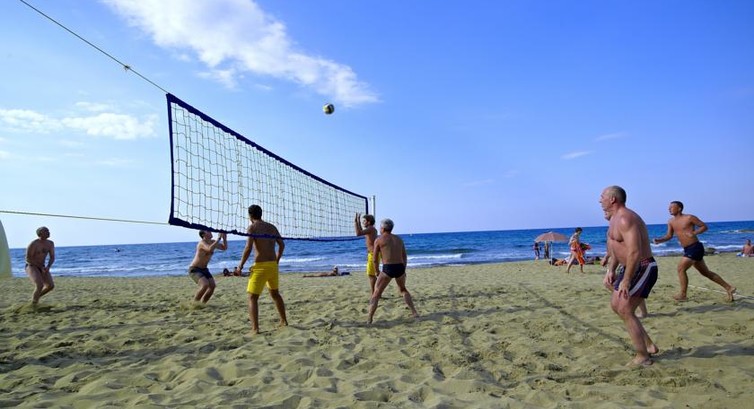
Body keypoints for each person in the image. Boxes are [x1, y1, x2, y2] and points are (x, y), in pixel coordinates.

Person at [600, 186, 658, 367]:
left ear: (612, 199)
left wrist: (626, 280)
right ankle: (648, 345)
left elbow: (634, 251)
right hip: (629, 267)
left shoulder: (626, 218)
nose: (599, 200)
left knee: (625, 309)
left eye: (602, 196)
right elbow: (616, 249)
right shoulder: (614, 219)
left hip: (642, 266)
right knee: (616, 306)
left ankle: (643, 356)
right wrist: (611, 270)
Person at [653, 201, 736, 302]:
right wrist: (659, 240)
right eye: (669, 207)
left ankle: (683, 295)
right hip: (687, 249)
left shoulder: (689, 218)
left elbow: (704, 226)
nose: (669, 209)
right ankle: (729, 288)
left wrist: (694, 233)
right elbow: (669, 236)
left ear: (679, 208)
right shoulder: (671, 221)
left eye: (671, 207)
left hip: (695, 247)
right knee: (705, 272)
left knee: (681, 269)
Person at [237, 205, 288, 334]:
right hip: (272, 265)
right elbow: (282, 245)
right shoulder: (272, 227)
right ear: (261, 214)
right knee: (275, 294)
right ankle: (284, 321)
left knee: (252, 297)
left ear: (250, 216)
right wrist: (277, 260)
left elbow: (248, 248)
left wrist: (240, 266)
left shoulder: (252, 227)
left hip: (260, 266)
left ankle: (255, 329)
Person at [367, 218, 419, 324]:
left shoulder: (379, 240)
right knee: (403, 290)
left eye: (380, 227)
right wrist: (403, 269)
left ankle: (370, 318)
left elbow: (375, 259)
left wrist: (377, 271)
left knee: (376, 293)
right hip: (399, 267)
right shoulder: (399, 239)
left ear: (382, 228)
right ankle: (414, 312)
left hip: (388, 268)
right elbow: (404, 256)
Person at [188, 230, 227, 303]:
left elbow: (224, 248)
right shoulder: (202, 243)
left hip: (204, 269)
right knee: (205, 285)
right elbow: (209, 249)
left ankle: (203, 304)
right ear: (203, 235)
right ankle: (194, 304)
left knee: (212, 286)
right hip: (195, 269)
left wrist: (224, 238)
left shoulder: (212, 242)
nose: (210, 232)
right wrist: (219, 238)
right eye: (208, 231)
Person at [25, 226, 55, 305]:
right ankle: (34, 304)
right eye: (46, 231)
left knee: (50, 286)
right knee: (39, 285)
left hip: (42, 266)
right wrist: (40, 267)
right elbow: (28, 258)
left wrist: (48, 267)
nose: (48, 232)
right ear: (40, 233)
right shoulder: (34, 243)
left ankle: (35, 298)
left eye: (48, 231)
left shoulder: (50, 243)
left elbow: (52, 257)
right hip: (31, 266)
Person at [355, 213, 379, 294]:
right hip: (372, 254)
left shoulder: (371, 229)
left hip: (373, 254)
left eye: (364, 221)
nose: (363, 222)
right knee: (372, 275)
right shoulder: (370, 229)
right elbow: (360, 231)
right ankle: (375, 293)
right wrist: (358, 221)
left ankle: (374, 294)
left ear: (369, 222)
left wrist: (356, 222)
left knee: (371, 275)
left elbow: (358, 233)